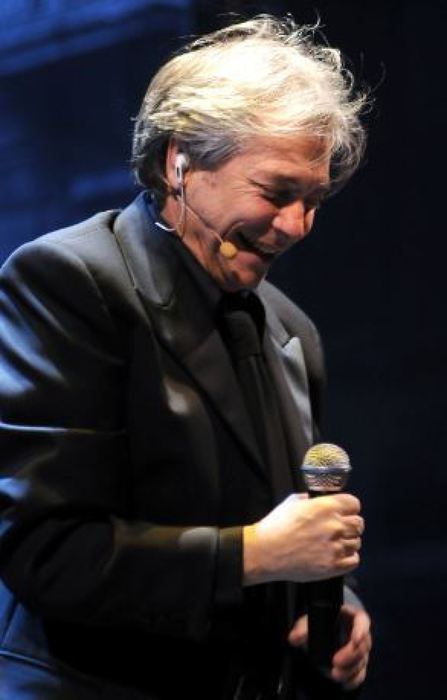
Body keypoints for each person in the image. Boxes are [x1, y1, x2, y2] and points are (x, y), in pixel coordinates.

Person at [0, 14, 372, 700]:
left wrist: (332, 605)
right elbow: (46, 553)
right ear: (180, 163)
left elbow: (282, 528)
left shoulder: (291, 328)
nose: (296, 226)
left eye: (313, 200)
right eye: (276, 193)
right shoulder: (69, 281)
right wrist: (255, 554)